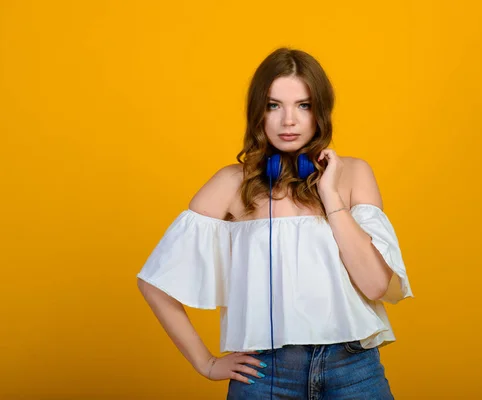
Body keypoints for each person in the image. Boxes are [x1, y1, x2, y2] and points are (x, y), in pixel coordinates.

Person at [136, 47, 414, 399]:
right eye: (273, 105)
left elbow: (376, 285)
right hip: (266, 376)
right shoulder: (230, 183)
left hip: (354, 370)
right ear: (258, 112)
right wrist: (206, 363)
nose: (288, 121)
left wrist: (331, 197)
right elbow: (154, 283)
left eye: (303, 105)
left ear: (320, 112)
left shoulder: (354, 174)